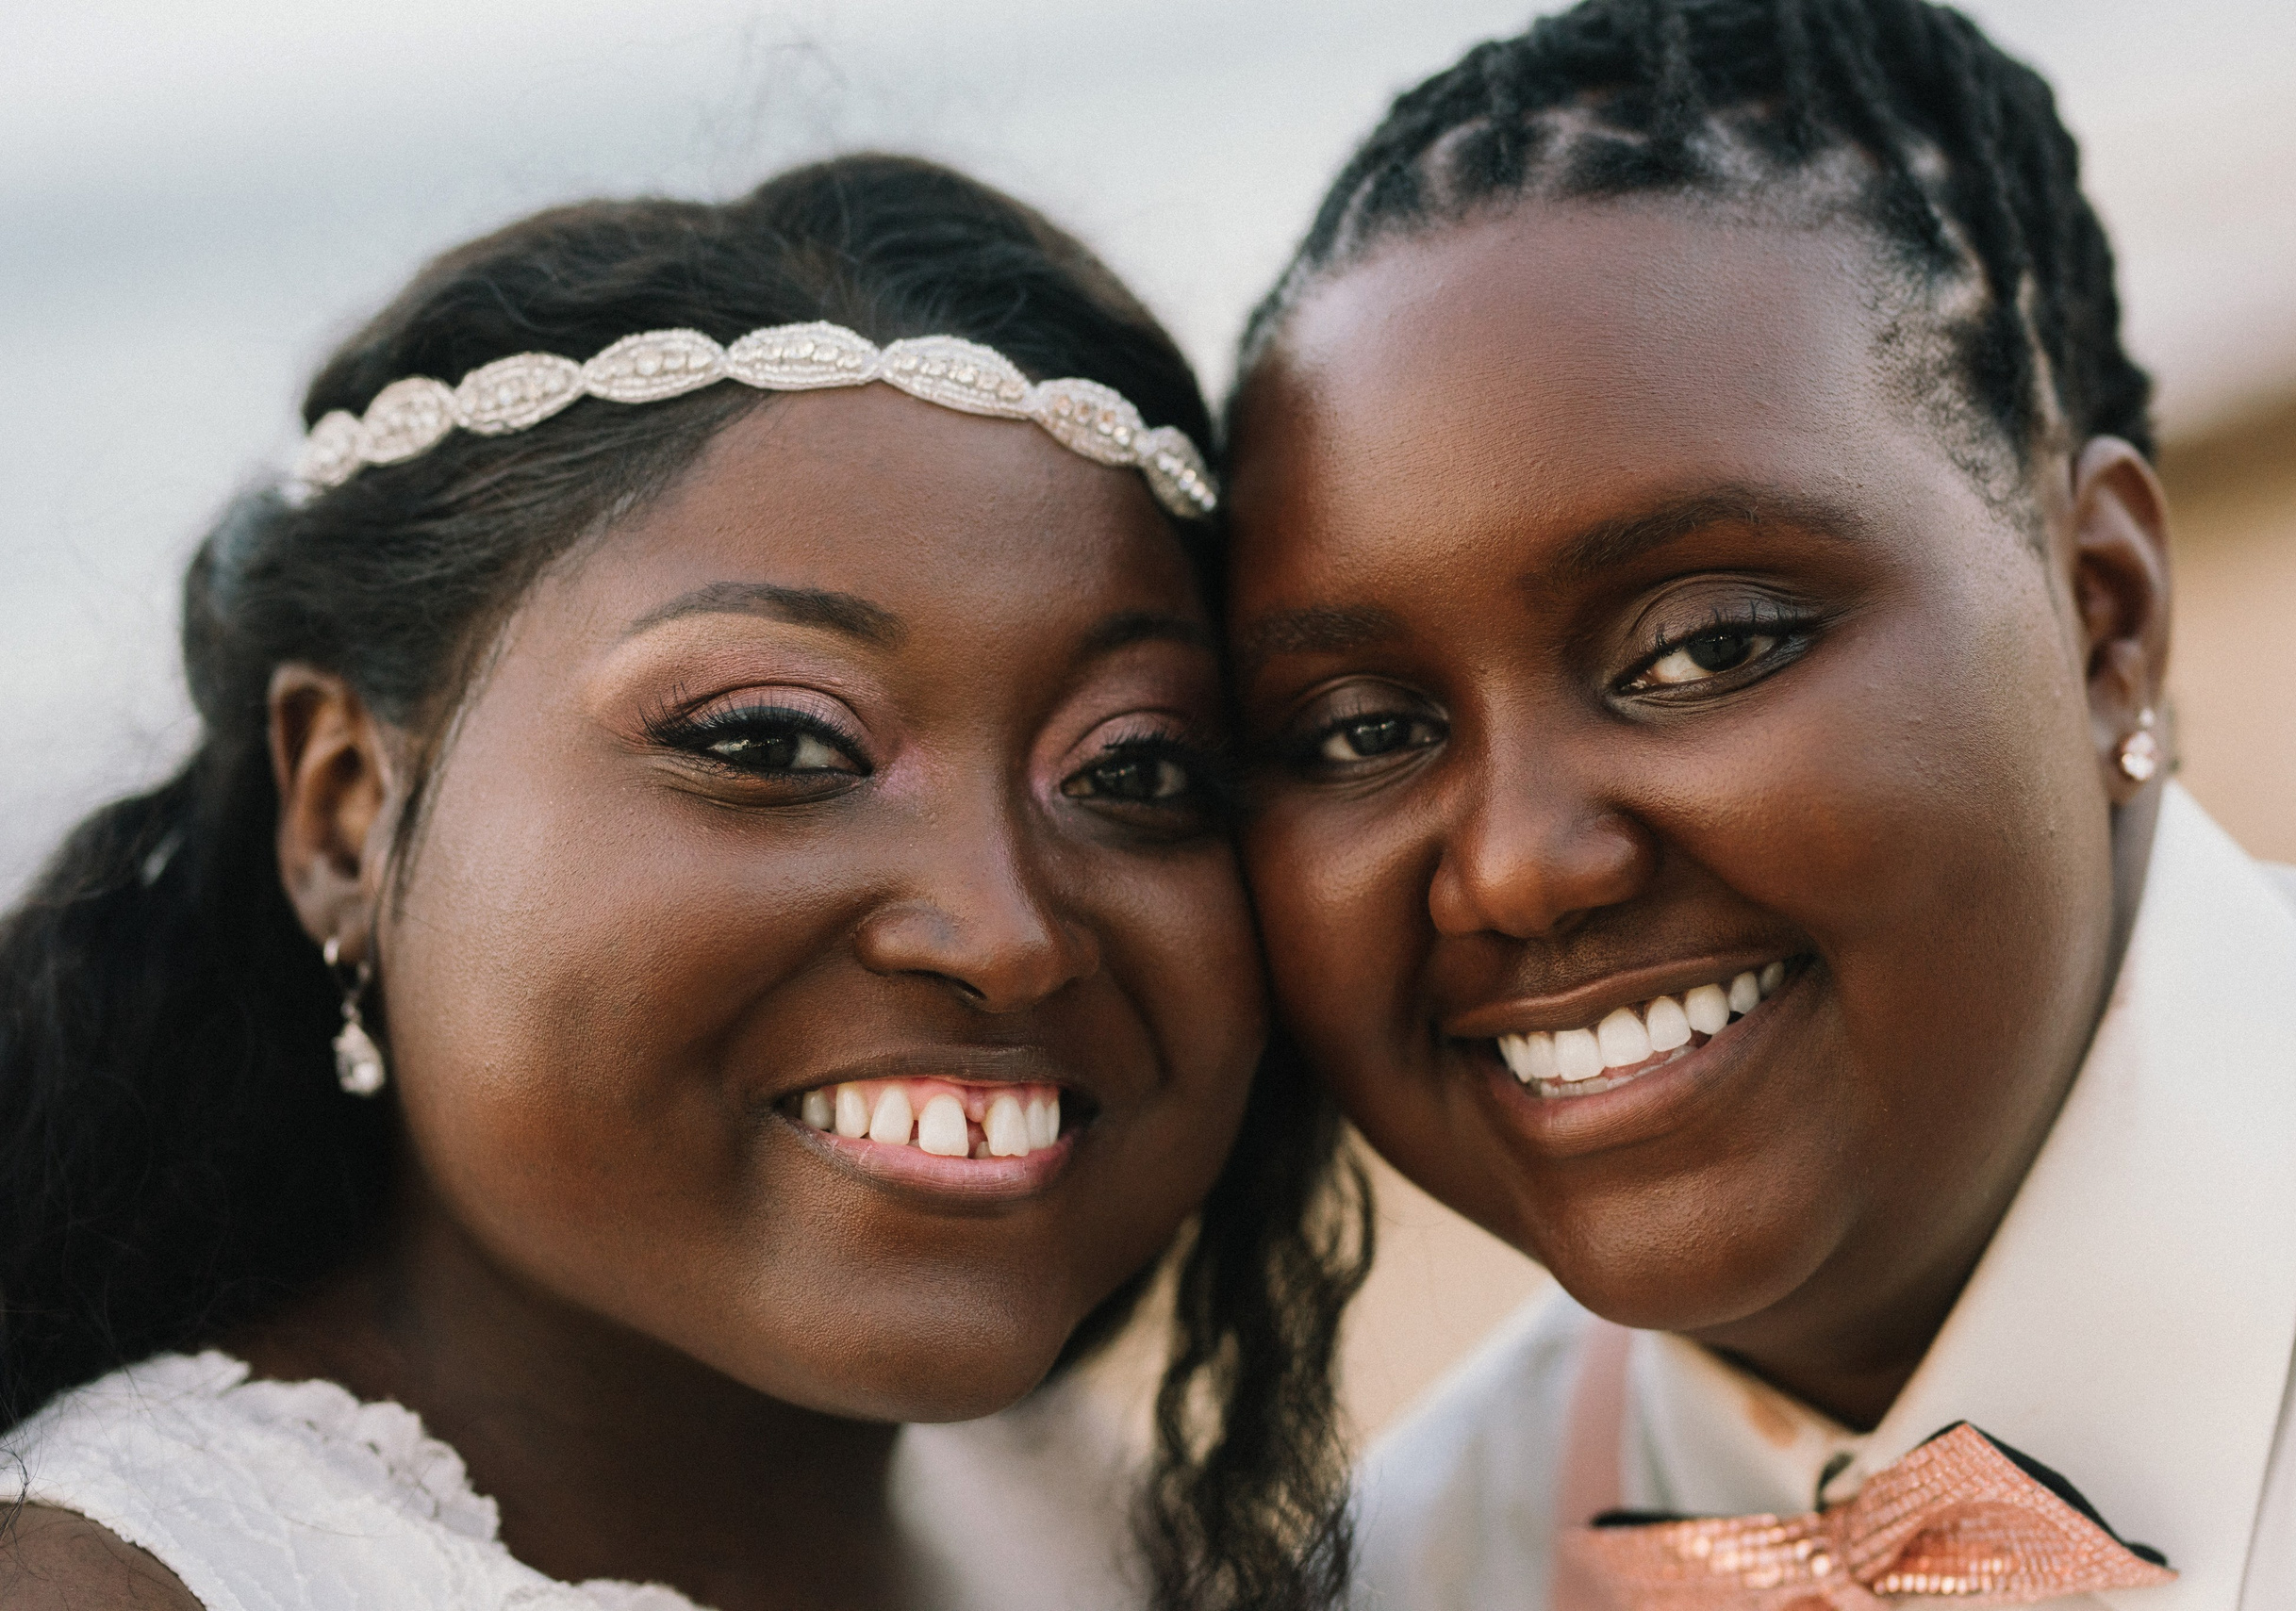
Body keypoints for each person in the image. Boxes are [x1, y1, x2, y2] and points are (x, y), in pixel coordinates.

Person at [0, 155, 1367, 1611]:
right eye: (775, 741)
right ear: (346, 813)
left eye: (1138, 768)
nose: (1007, 931)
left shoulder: (1064, 1514)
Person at [1222, 3, 2296, 1607]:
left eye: (1707, 647)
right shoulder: (1417, 1570)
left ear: (2103, 616)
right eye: (1364, 731)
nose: (1517, 866)